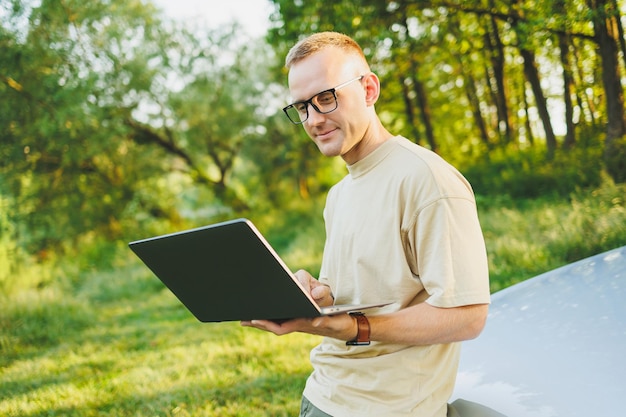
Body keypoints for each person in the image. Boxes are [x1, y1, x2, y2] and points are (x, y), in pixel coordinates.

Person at [241, 31, 491, 417]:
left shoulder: (428, 180)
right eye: (302, 107)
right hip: (322, 395)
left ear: (369, 88)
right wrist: (317, 294)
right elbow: (359, 291)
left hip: (390, 408)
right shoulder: (338, 194)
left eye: (326, 97)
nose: (314, 119)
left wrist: (357, 328)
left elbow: (467, 315)